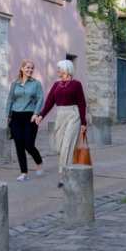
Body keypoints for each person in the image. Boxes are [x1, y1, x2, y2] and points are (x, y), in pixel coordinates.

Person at [35, 60, 87, 188]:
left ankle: (63, 176)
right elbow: (49, 102)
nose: (57, 71)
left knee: (67, 146)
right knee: (58, 146)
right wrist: (41, 115)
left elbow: (82, 103)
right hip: (60, 115)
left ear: (66, 70)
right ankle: (69, 167)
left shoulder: (76, 84)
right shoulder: (56, 85)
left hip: (73, 115)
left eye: (59, 69)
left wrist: (83, 122)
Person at [6, 59, 44, 181]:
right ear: (22, 68)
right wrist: (8, 115)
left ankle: (38, 161)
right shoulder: (15, 83)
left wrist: (36, 113)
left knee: (28, 144)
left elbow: (40, 99)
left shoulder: (36, 84)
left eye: (32, 68)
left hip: (30, 116)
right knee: (19, 144)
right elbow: (10, 100)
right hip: (16, 117)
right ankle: (24, 172)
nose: (30, 70)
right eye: (27, 67)